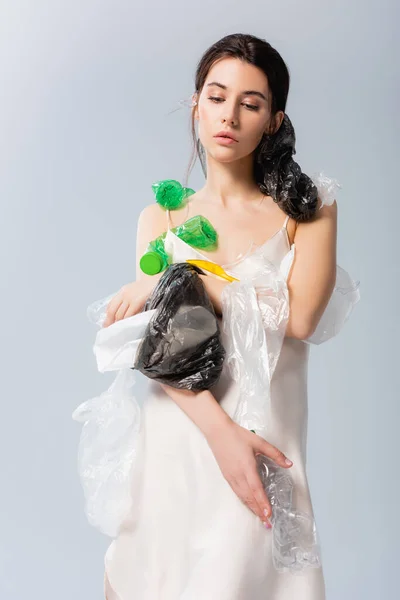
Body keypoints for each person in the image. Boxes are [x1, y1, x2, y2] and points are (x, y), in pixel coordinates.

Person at [76, 33, 360, 600]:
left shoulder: (309, 209)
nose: (229, 115)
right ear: (196, 106)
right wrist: (223, 438)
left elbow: (301, 317)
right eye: (216, 96)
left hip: (267, 443)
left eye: (250, 104)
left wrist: (193, 279)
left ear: (274, 120)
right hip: (183, 443)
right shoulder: (162, 215)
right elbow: (161, 350)